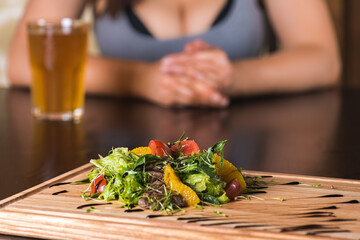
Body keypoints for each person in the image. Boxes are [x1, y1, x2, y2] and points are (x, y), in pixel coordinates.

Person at [8, 0, 341, 108]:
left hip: (248, 166)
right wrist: (140, 80)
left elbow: (324, 59)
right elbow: (23, 60)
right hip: (123, 159)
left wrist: (236, 78)